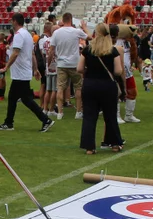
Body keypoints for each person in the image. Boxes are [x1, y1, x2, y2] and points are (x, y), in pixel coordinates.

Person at [0, 13, 54, 133]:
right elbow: (31, 54)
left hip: (20, 73)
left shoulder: (19, 35)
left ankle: (45, 120)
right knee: (16, 98)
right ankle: (9, 122)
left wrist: (6, 67)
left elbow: (16, 53)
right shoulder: (27, 34)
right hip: (24, 72)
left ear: (15, 21)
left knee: (25, 99)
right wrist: (35, 69)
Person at [77, 23, 124, 154]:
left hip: (90, 84)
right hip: (107, 85)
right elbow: (118, 71)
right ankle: (114, 143)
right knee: (110, 116)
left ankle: (89, 147)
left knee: (89, 116)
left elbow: (79, 68)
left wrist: (90, 70)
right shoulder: (112, 50)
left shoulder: (88, 50)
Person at [49, 12, 86, 120]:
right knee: (78, 87)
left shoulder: (56, 32)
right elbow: (89, 38)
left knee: (60, 88)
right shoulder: (76, 31)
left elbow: (51, 49)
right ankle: (78, 112)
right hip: (74, 63)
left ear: (63, 20)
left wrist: (49, 62)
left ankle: (60, 112)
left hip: (61, 64)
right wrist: (84, 28)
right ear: (71, 20)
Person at [38, 22, 57, 116]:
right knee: (54, 89)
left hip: (47, 67)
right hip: (55, 66)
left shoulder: (46, 41)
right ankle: (51, 109)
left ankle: (45, 108)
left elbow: (43, 53)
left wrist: (47, 65)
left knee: (48, 89)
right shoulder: (55, 41)